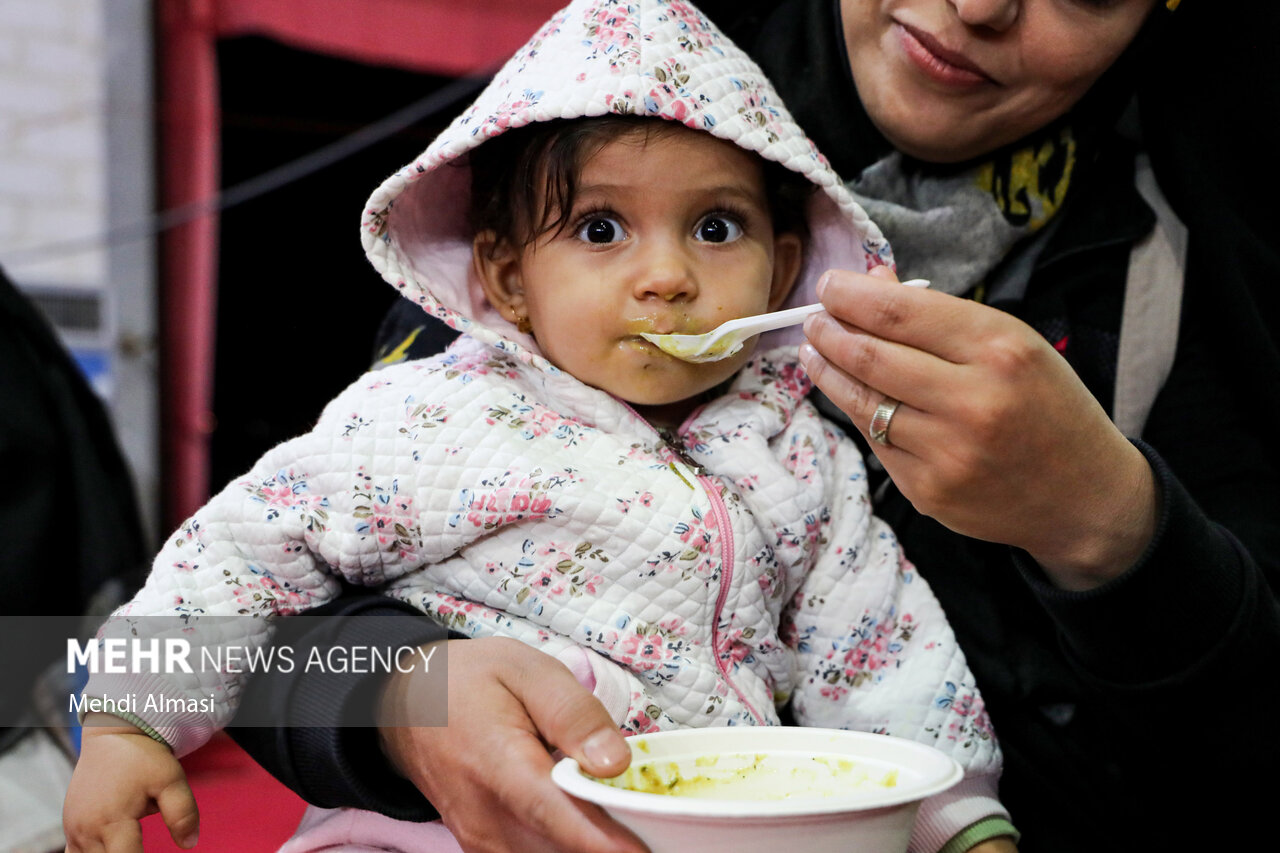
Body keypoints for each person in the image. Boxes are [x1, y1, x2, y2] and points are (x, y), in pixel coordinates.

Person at [222, 0, 1280, 851]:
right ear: (500, 272)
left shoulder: (1202, 247)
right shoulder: (569, 146)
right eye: (602, 230)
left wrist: (1111, 530)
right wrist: (391, 694)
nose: (976, 7)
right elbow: (149, 645)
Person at [61, 3, 1018, 851]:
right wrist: (124, 718)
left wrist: (946, 811)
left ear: (783, 269)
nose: (668, 277)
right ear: (510, 275)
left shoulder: (801, 454)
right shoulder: (431, 418)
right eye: (601, 229)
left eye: (716, 228)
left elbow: (883, 644)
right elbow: (240, 549)